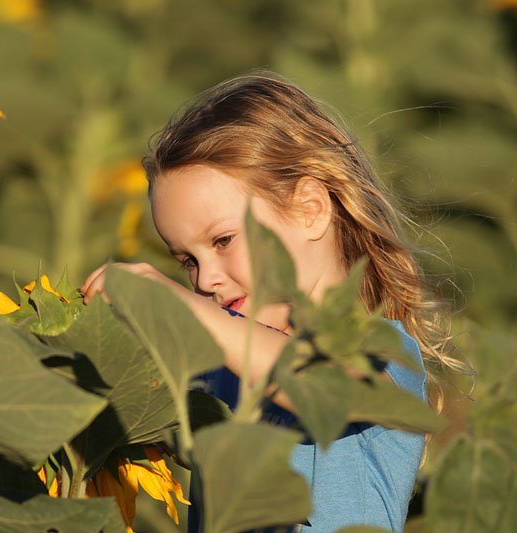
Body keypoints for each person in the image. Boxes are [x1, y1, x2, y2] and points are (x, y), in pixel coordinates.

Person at [80, 73, 466, 532]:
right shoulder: (219, 371)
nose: (206, 280)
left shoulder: (382, 350)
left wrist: (188, 311)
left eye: (223, 240)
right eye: (186, 260)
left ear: (310, 209)